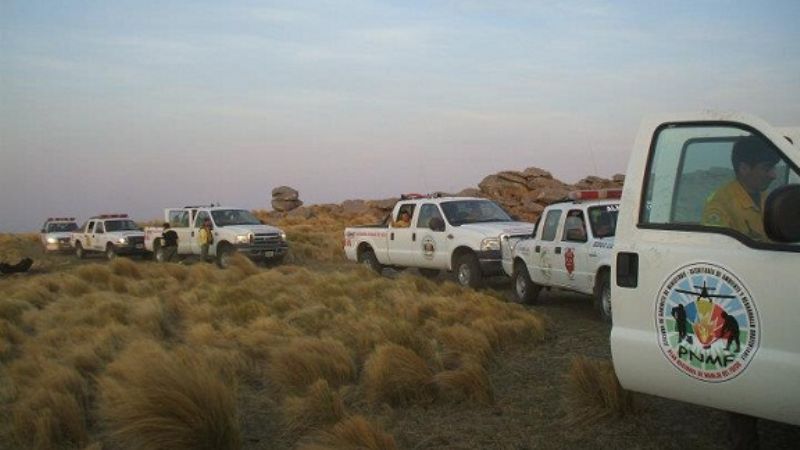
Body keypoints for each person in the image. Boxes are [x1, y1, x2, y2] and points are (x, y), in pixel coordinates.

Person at [702, 136, 780, 241]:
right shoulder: (720, 204)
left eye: (773, 167)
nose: (774, 175)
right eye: (766, 168)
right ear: (744, 168)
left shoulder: (765, 196)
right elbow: (716, 247)